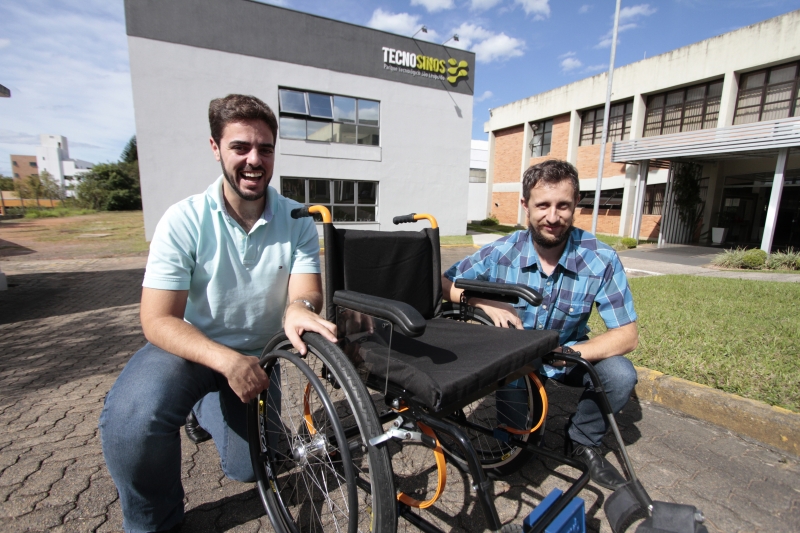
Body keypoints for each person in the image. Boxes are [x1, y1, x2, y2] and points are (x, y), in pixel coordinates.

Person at [99, 94, 337, 533]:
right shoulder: (184, 220)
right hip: (189, 349)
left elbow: (304, 294)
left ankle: (203, 409)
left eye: (265, 148)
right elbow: (157, 320)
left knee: (251, 467)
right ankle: (157, 522)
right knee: (134, 422)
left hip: (256, 357)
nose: (254, 160)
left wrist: (300, 311)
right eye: (240, 147)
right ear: (215, 148)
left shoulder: (298, 218)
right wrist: (224, 361)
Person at [442, 159, 638, 491]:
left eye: (563, 205)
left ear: (576, 204)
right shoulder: (500, 252)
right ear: (525, 206)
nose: (552, 216)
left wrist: (569, 352)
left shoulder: (601, 259)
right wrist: (485, 301)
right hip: (513, 361)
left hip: (565, 353)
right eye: (542, 205)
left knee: (620, 375)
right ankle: (520, 417)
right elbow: (445, 283)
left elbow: (627, 334)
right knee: (513, 456)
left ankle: (581, 439)